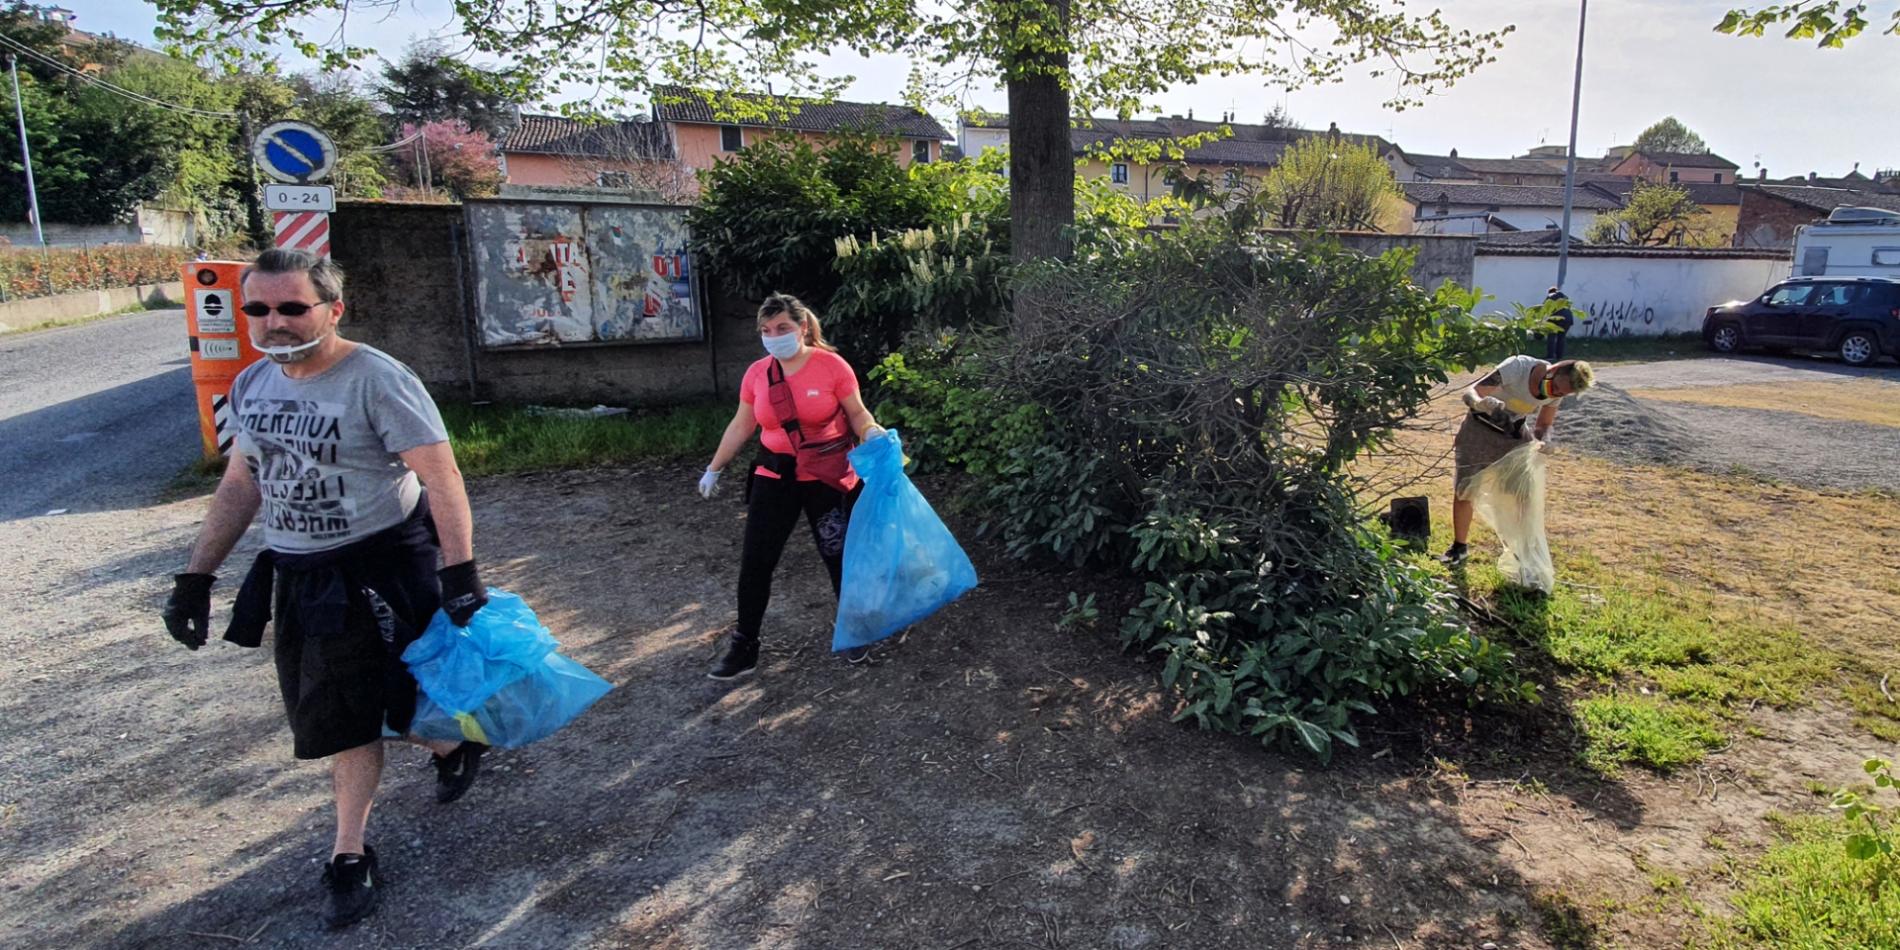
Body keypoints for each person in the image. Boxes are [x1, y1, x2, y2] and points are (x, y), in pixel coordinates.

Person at [160, 248, 490, 930]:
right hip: (301, 574)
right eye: (259, 309)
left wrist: (459, 573)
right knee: (360, 697)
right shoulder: (253, 386)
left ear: (332, 309)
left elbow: (441, 475)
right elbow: (241, 484)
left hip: (380, 567)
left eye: (291, 308)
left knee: (344, 707)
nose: (274, 322)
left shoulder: (377, 380)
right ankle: (451, 745)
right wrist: (195, 576)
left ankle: (348, 852)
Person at [698, 293, 887, 680]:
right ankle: (744, 645)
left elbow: (857, 413)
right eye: (766, 331)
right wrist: (714, 468)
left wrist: (872, 432)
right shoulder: (757, 374)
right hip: (774, 476)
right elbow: (742, 424)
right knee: (756, 562)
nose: (774, 336)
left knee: (837, 556)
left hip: (825, 476)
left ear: (803, 327)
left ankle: (853, 630)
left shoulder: (831, 366)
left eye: (782, 328)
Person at [1443, 355, 1595, 565]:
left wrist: (1546, 439)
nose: (1555, 394)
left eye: (1561, 394)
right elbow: (1471, 393)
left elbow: (1543, 425)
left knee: (1523, 494)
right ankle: (1459, 547)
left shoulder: (1556, 391)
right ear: (1554, 370)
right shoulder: (1518, 367)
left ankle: (1522, 550)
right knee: (1465, 490)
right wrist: (1480, 403)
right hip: (1478, 430)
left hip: (1512, 436)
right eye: (1556, 388)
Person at [1542, 286, 1578, 361]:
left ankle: (1550, 356)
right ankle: (1559, 356)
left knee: (1551, 337)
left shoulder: (1551, 296)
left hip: (1557, 318)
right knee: (1561, 337)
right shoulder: (1565, 298)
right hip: (1568, 319)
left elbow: (1544, 307)